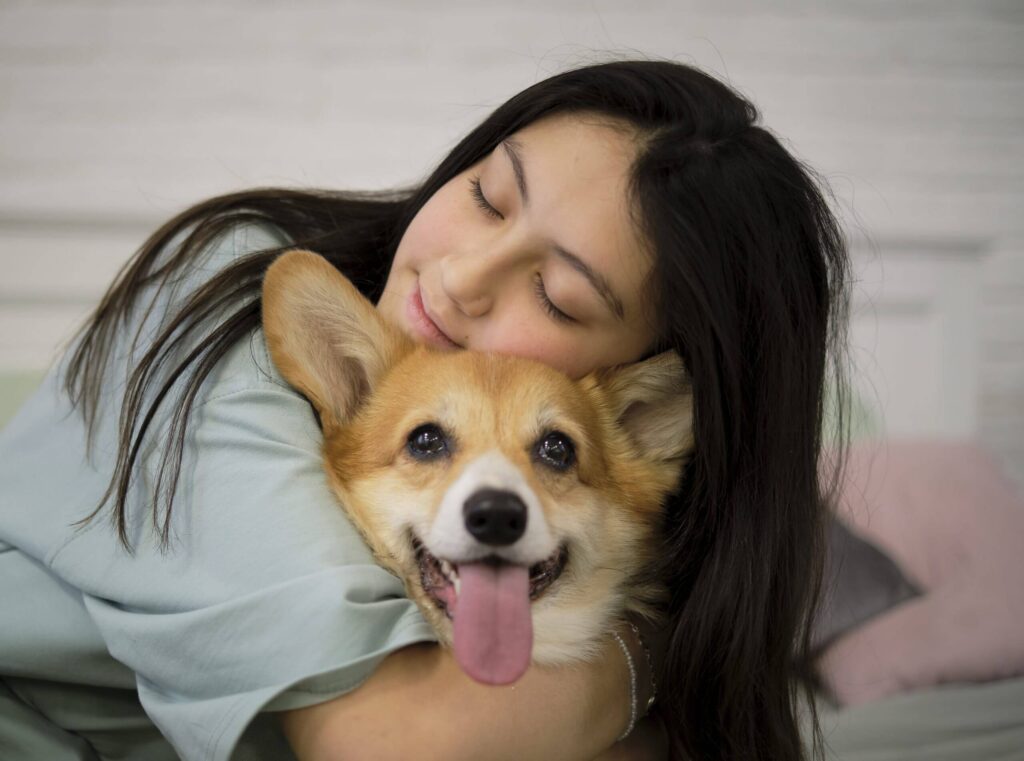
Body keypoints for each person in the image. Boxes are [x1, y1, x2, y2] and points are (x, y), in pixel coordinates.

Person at [0, 59, 850, 760]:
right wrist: (661, 650)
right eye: (487, 196)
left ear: (644, 397)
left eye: (557, 295)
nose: (458, 278)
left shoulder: (609, 477)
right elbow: (391, 745)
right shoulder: (222, 307)